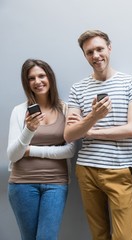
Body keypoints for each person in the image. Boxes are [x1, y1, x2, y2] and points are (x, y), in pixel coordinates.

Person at [63, 30, 132, 240]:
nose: (96, 56)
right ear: (85, 56)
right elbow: (70, 135)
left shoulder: (130, 83)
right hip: (87, 170)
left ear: (109, 48)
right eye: (89, 52)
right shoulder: (78, 88)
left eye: (100, 49)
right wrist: (93, 116)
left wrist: (89, 130)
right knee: (98, 235)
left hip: (120, 169)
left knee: (124, 237)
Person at [7, 59, 76, 240]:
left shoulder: (66, 109)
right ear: (26, 83)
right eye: (31, 78)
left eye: (41, 76)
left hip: (56, 184)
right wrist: (29, 129)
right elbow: (13, 155)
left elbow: (70, 150)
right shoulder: (19, 111)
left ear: (50, 77)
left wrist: (30, 150)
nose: (37, 81)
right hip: (22, 184)